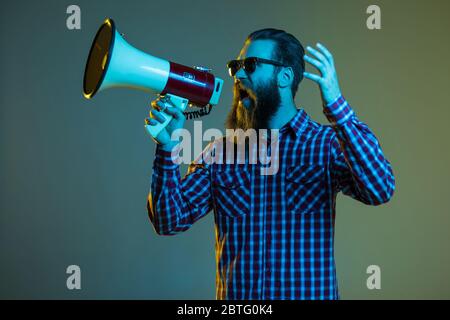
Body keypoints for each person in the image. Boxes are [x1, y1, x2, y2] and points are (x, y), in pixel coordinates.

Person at [144, 28, 395, 300]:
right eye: (235, 66)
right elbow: (168, 221)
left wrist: (336, 106)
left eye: (250, 66)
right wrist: (167, 147)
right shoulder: (219, 152)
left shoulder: (326, 144)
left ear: (284, 76)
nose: (238, 75)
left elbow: (380, 189)